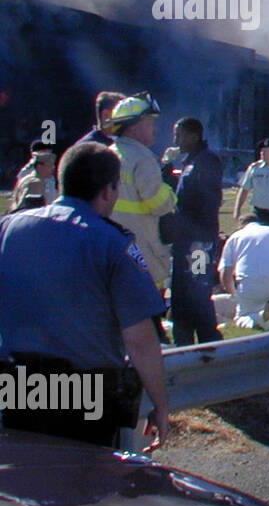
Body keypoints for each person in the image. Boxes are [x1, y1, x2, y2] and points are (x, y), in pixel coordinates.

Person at [0, 142, 169, 449]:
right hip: (86, 396)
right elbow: (140, 340)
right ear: (108, 191)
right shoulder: (114, 243)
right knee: (86, 488)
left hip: (17, 388)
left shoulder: (9, 227)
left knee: (26, 484)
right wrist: (161, 405)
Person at [103, 94, 177, 295]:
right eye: (150, 122)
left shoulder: (108, 154)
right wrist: (170, 189)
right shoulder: (143, 158)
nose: (155, 128)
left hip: (112, 249)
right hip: (142, 250)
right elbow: (160, 204)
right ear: (134, 127)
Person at [162, 118, 224, 347]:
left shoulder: (207, 161)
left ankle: (211, 343)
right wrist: (166, 168)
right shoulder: (189, 162)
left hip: (199, 244)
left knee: (198, 291)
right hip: (183, 241)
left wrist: (199, 236)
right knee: (179, 294)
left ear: (193, 135)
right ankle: (183, 343)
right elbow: (176, 192)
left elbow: (208, 202)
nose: (176, 141)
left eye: (179, 136)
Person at [9, 148, 56, 212]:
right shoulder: (36, 183)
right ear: (39, 166)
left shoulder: (27, 178)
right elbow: (27, 210)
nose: (53, 168)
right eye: (50, 165)